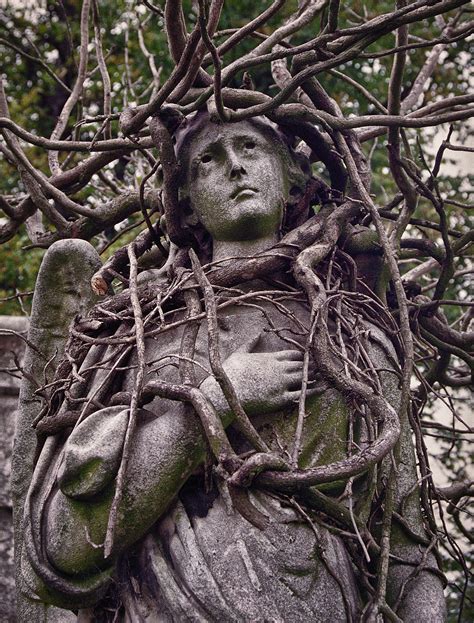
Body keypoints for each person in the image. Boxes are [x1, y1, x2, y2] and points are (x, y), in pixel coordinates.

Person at [17, 114, 446, 622]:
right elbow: (62, 548)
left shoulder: (357, 342)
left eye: (250, 147)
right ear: (188, 205)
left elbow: (406, 544)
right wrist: (214, 405)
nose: (235, 168)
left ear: (291, 177)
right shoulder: (137, 338)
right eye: (208, 161)